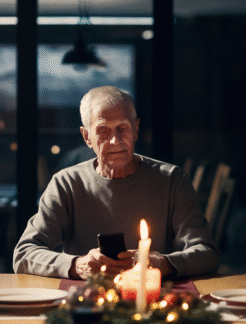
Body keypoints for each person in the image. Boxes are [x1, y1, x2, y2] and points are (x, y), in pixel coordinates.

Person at [13, 86, 220, 279]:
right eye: (104, 131)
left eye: (123, 128)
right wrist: (77, 265)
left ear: (136, 129)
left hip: (154, 298)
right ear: (87, 137)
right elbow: (24, 254)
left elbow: (207, 254)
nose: (116, 140)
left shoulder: (172, 180)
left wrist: (160, 263)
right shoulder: (66, 183)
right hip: (85, 299)